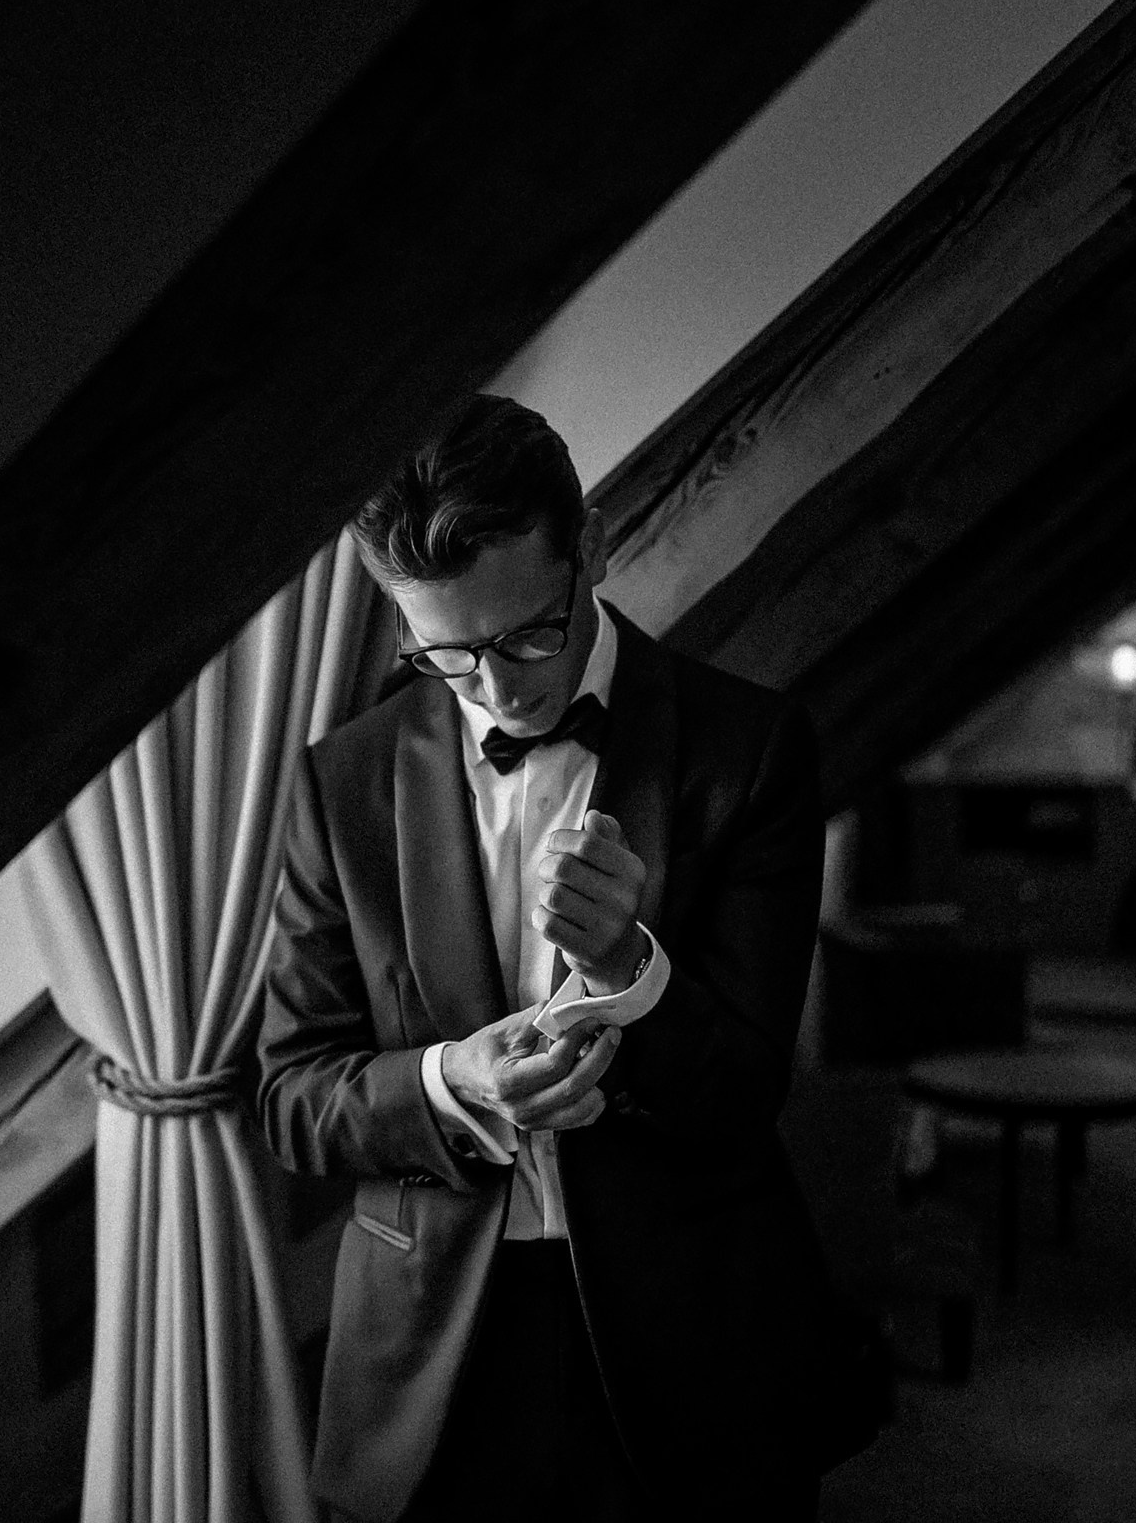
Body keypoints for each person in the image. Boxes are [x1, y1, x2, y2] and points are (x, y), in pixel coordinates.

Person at [256, 395, 842, 1520]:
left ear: (595, 546)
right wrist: (452, 1081)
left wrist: (631, 965)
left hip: (691, 1331)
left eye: (529, 632)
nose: (500, 686)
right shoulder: (342, 783)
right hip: (431, 1345)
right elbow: (291, 1095)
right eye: (447, 653)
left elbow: (749, 1089)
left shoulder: (749, 748)